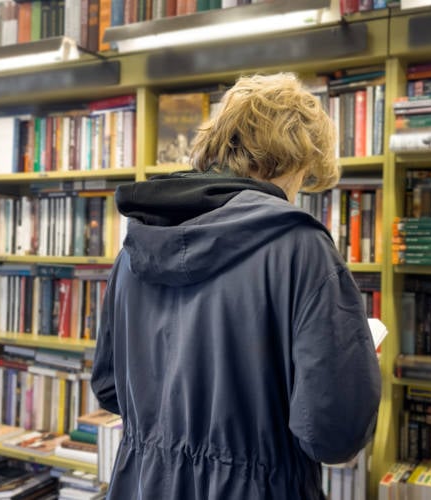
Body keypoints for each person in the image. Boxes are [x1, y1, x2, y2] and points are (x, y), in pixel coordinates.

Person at [90, 73, 382, 499]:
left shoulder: (136, 245)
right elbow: (332, 434)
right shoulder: (302, 249)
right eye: (303, 176)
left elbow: (110, 389)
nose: (298, 192)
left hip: (142, 485)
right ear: (285, 160)